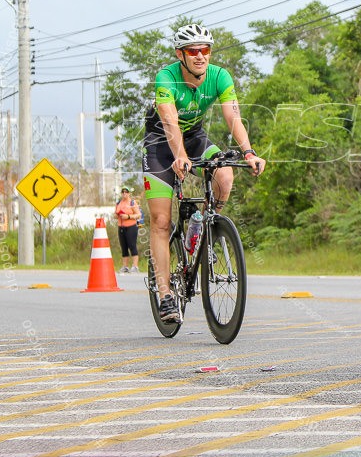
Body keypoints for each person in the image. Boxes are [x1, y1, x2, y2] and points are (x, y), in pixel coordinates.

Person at [143, 23, 265, 324]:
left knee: (224, 175)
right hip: (160, 144)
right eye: (192, 51)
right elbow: (170, 121)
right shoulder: (166, 77)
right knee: (161, 221)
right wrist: (180, 155)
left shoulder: (220, 76)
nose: (200, 56)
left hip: (195, 136)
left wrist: (248, 151)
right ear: (180, 54)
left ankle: (202, 224)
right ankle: (165, 295)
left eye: (205, 50)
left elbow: (232, 115)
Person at [114, 187, 142, 273]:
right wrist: (117, 215)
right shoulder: (119, 203)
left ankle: (135, 266)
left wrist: (128, 216)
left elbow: (138, 215)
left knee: (132, 245)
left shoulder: (132, 203)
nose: (124, 194)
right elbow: (115, 214)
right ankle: (125, 266)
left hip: (131, 226)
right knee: (124, 246)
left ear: (129, 193)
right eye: (123, 192)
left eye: (126, 192)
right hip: (121, 226)